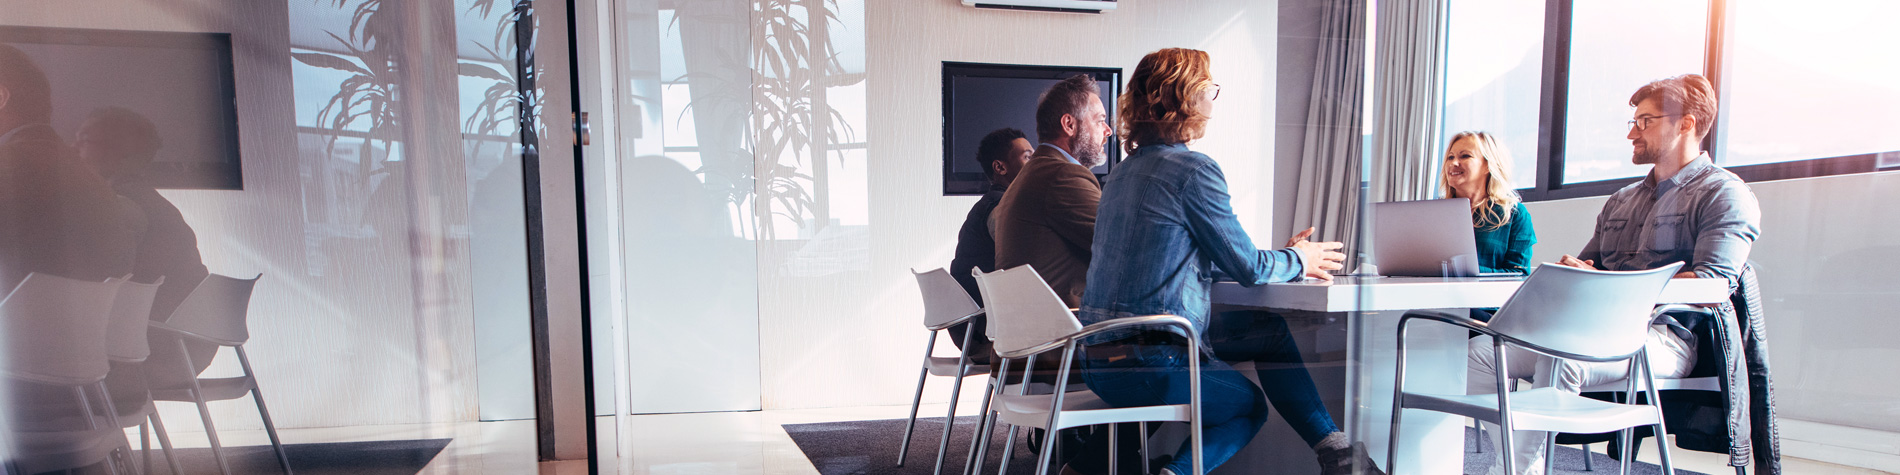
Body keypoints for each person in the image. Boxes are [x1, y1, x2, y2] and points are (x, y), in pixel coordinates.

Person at [1067, 47, 1375, 475]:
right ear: (1184, 97)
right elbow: (1248, 269)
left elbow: (1176, 257)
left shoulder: (1121, 173)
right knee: (1248, 407)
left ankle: (1337, 451)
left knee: (1267, 331)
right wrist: (1300, 259)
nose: (1214, 98)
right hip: (1152, 362)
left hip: (1097, 359)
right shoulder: (1194, 170)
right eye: (1210, 87)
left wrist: (1281, 257)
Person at [1468, 73, 1760, 475]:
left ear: (1686, 123)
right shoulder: (1622, 199)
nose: (1632, 135)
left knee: (1561, 355)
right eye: (1633, 123)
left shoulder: (1724, 193)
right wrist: (1576, 270)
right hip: (1588, 329)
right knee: (1480, 355)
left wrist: (1611, 288)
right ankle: (1517, 465)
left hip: (1665, 336)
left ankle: (1512, 472)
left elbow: (1716, 284)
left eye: (1645, 122)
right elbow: (1592, 267)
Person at [74, 107, 215, 391]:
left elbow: (93, 283)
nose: (72, 147)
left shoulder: (123, 208)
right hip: (184, 349)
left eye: (84, 140)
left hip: (151, 354)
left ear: (118, 153)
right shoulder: (156, 204)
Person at [992, 74, 1113, 308]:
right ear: (1069, 125)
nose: (1108, 130)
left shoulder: (1035, 172)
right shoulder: (1062, 176)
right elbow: (1120, 246)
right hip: (1066, 336)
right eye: (1100, 120)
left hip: (1033, 332)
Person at [946, 128, 1032, 363]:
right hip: (986, 334)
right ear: (1000, 167)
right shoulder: (1000, 208)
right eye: (1027, 157)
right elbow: (1017, 254)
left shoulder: (989, 204)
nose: (1036, 164)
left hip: (971, 328)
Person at [1439, 131, 1535, 324]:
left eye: (1464, 156)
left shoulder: (1514, 214)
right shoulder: (1435, 212)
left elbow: (1518, 276)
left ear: (1488, 166)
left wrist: (1461, 271)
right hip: (1437, 302)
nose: (1453, 163)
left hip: (1487, 313)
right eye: (1450, 157)